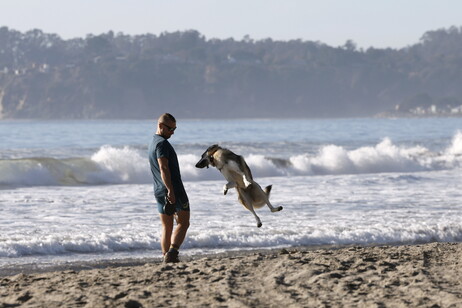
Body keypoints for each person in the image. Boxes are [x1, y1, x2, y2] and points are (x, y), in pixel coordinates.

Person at [148, 113, 190, 263]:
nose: (172, 132)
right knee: (184, 222)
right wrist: (171, 190)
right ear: (161, 126)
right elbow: (163, 167)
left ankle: (166, 256)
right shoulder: (162, 144)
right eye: (170, 129)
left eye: (174, 129)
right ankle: (172, 253)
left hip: (158, 190)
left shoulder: (153, 142)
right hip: (173, 189)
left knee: (167, 227)